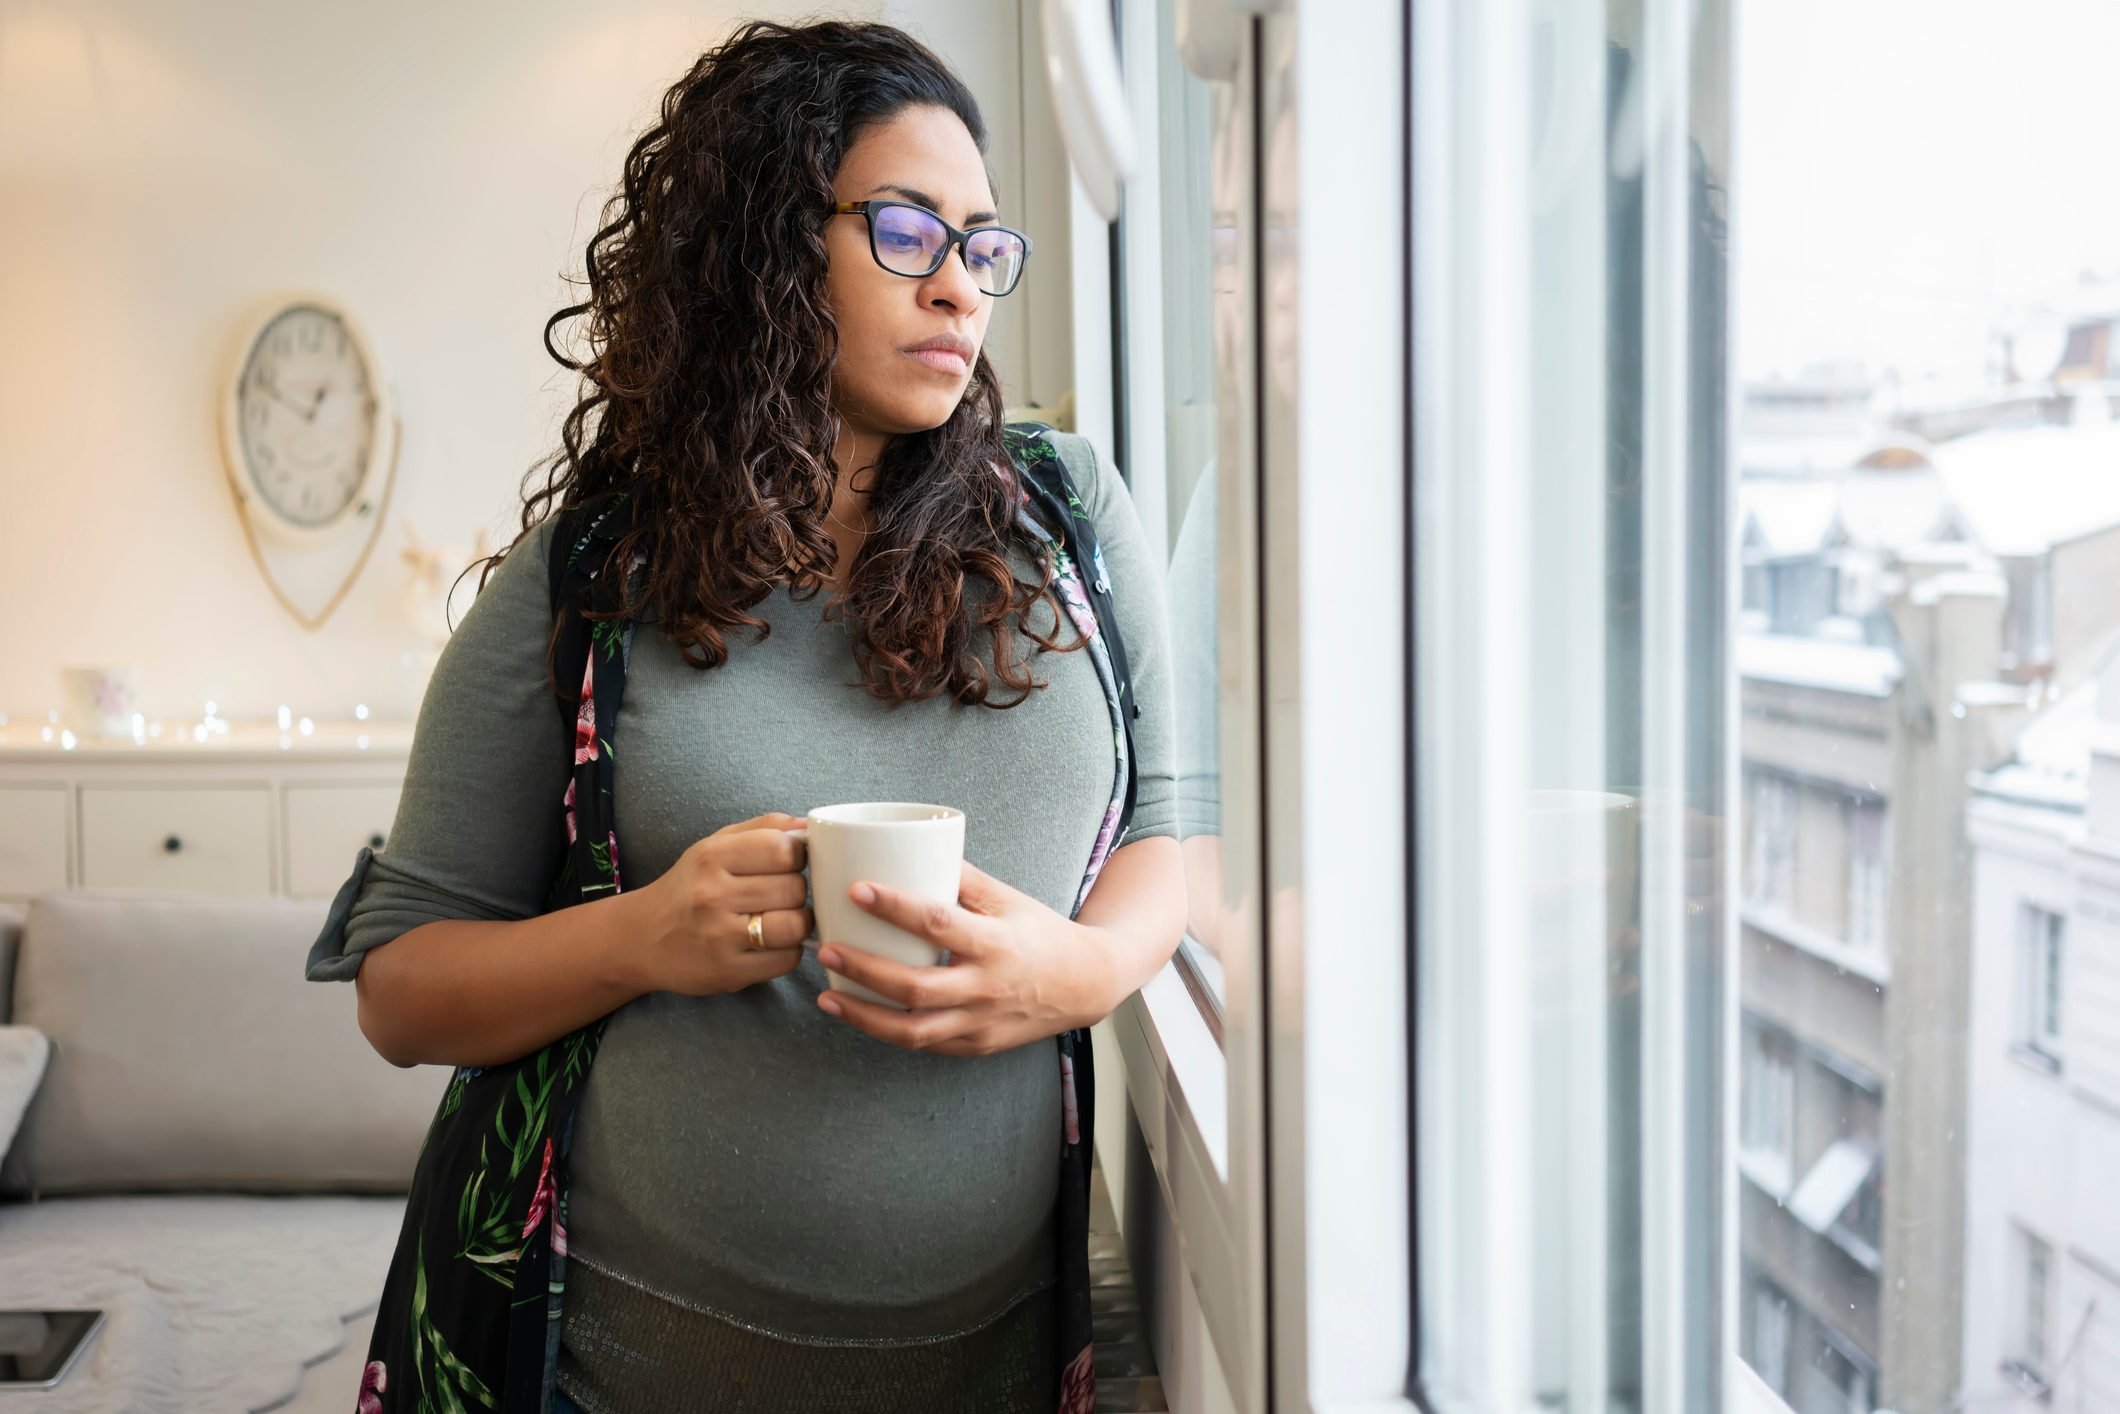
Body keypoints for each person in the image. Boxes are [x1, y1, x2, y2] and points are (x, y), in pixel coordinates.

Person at [304, 18, 1184, 1412]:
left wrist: (1083, 972)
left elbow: (1168, 823)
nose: (963, 289)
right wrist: (644, 934)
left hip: (990, 1365)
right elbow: (402, 989)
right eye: (907, 232)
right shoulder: (590, 581)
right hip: (611, 1363)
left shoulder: (1066, 517)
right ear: (769, 244)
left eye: (986, 247)